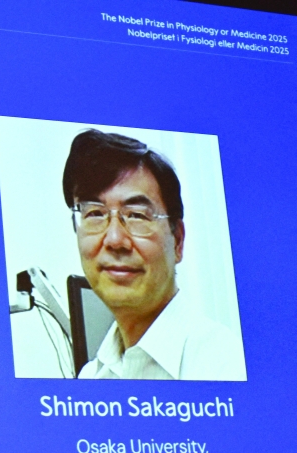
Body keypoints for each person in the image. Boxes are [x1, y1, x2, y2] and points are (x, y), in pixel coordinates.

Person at [63, 129, 245, 381]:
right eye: (95, 214)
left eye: (137, 215)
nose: (115, 239)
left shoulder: (228, 367)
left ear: (177, 241)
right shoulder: (91, 378)